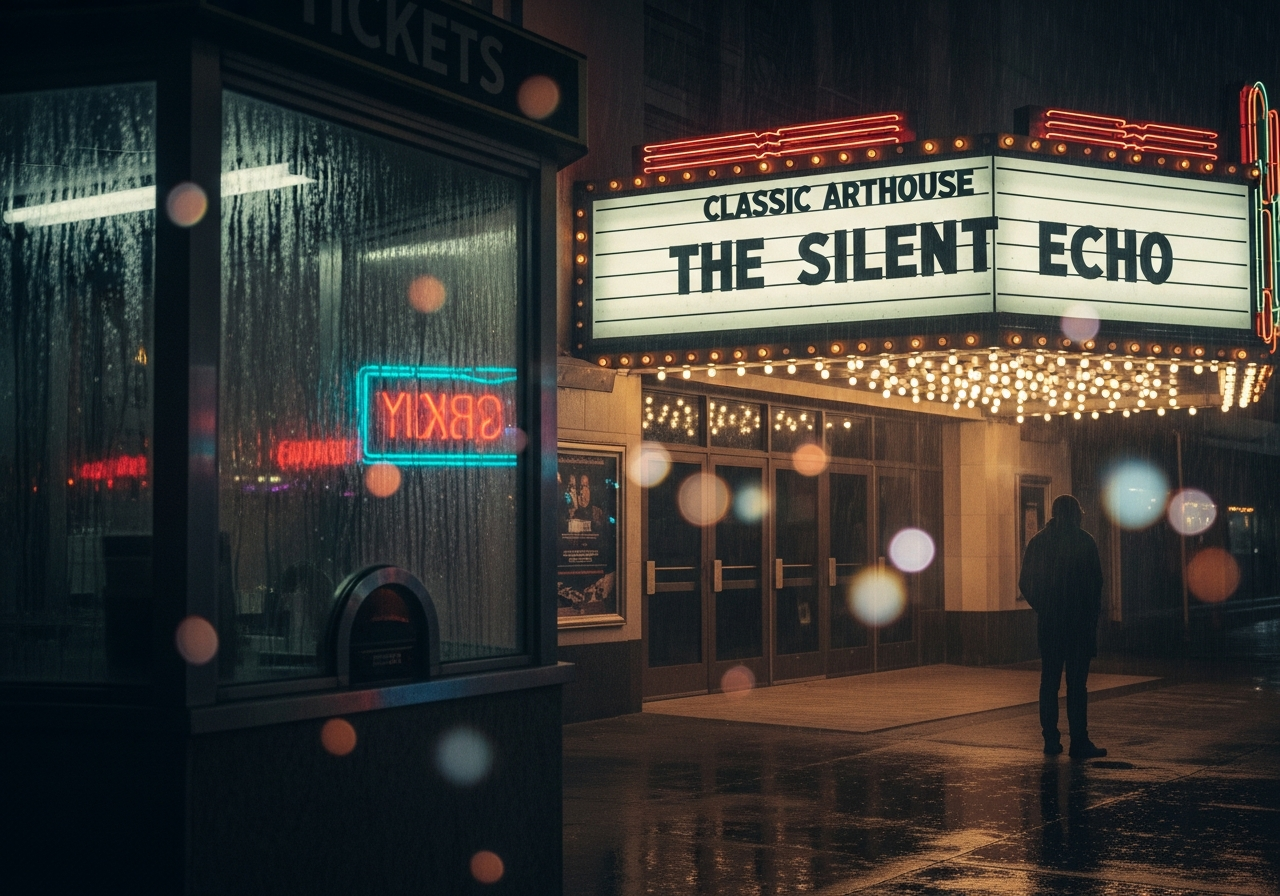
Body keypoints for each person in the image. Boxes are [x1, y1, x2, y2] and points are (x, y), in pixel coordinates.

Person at [1018, 494, 1107, 759]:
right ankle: (1079, 741)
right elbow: (1096, 584)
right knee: (1077, 686)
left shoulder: (1039, 542)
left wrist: (1044, 606)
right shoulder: (1084, 541)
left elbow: (1025, 582)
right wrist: (1089, 614)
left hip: (1051, 624)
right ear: (1076, 513)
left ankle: (1050, 739)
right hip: (1079, 625)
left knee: (1049, 683)